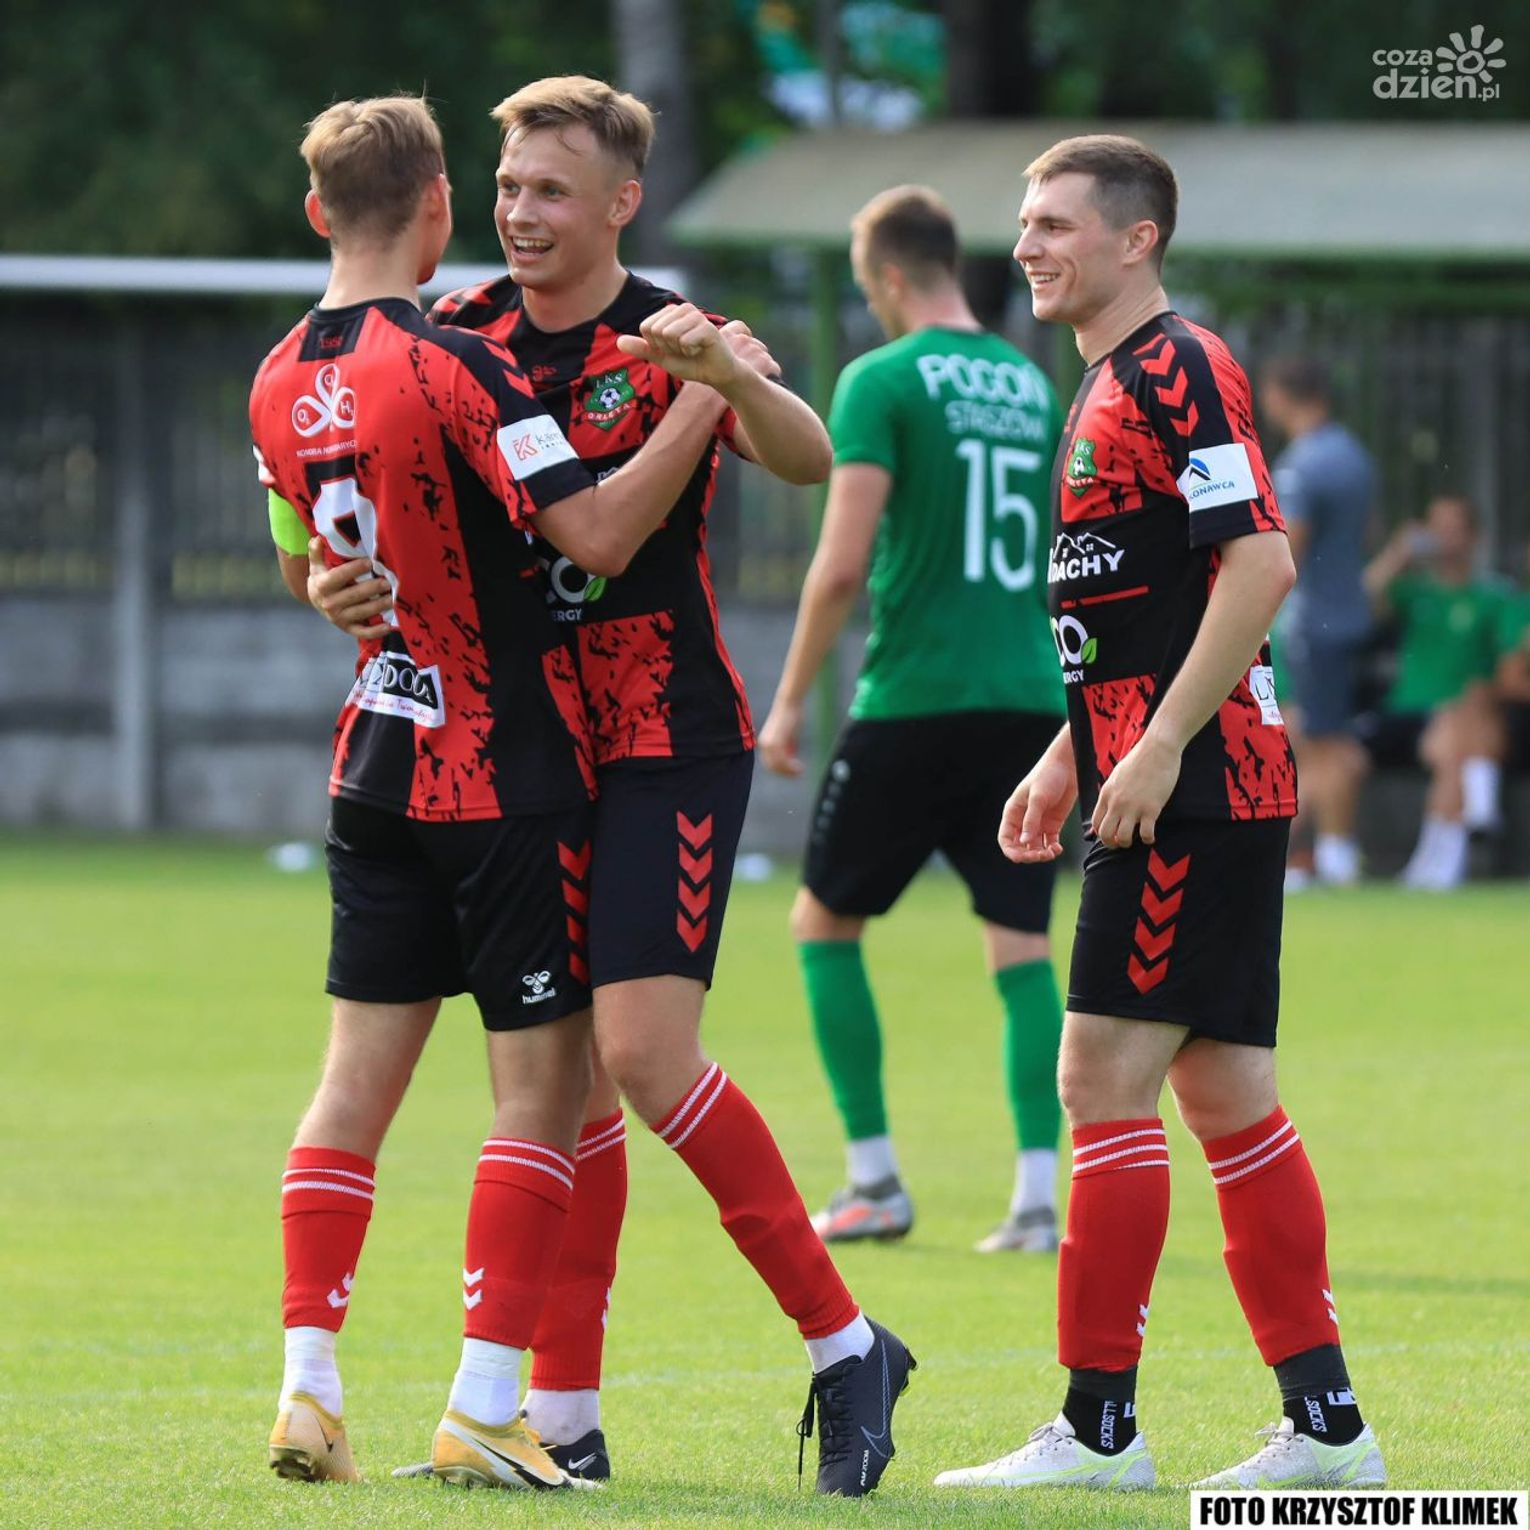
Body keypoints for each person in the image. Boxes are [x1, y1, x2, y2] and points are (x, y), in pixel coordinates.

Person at [299, 77, 914, 1497]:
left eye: (551, 192)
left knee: (640, 1055)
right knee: (563, 1082)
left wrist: (728, 378)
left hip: (661, 735)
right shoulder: (456, 331)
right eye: (508, 187)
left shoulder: (672, 332)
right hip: (522, 748)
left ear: (621, 204)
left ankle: (844, 1343)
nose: (520, 213)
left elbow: (807, 458)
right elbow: (353, 511)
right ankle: (560, 1414)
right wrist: (329, 583)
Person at [252, 95, 741, 1490]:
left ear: (314, 211)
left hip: (372, 758)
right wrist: (702, 401)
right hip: (501, 766)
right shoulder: (454, 359)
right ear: (440, 209)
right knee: (539, 1096)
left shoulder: (272, 376)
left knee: (348, 1092)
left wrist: (335, 589)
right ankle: (483, 1404)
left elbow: (305, 561)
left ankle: (307, 1390)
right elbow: (595, 529)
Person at [934, 134, 1385, 1492]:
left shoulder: (1176, 366)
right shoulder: (1107, 380)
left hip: (1192, 789)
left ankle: (1099, 1431)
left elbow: (1258, 564)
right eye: (1024, 222)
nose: (1028, 244)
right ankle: (1328, 1431)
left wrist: (1158, 744)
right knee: (1227, 1095)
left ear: (1137, 240)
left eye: (1056, 223)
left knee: (1097, 1082)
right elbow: (1149, 607)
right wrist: (1070, 753)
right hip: (1178, 778)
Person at [756, 185, 1067, 1254]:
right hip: (1029, 699)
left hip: (916, 697)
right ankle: (1038, 1198)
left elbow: (842, 563)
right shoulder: (1031, 385)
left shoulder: (880, 379)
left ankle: (875, 1180)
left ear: (888, 276)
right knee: (1021, 943)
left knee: (823, 924)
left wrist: (788, 701)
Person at [1258, 356, 1376, 888]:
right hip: (1350, 614)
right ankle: (1312, 854)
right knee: (1316, 733)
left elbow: (1288, 551)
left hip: (1314, 622)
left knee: (1327, 742)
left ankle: (1336, 854)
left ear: (1281, 394)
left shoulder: (1301, 466)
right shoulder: (1355, 457)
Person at [1358, 494, 1507, 890]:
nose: (1444, 536)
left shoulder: (1494, 597)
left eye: (1453, 528)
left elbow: (1507, 671)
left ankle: (1433, 865)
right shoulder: (1414, 592)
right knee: (1455, 738)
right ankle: (1480, 800)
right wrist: (1397, 554)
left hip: (1459, 721)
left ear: (1473, 536)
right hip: (1404, 716)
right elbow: (1360, 602)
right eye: (1437, 526)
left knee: (1453, 737)